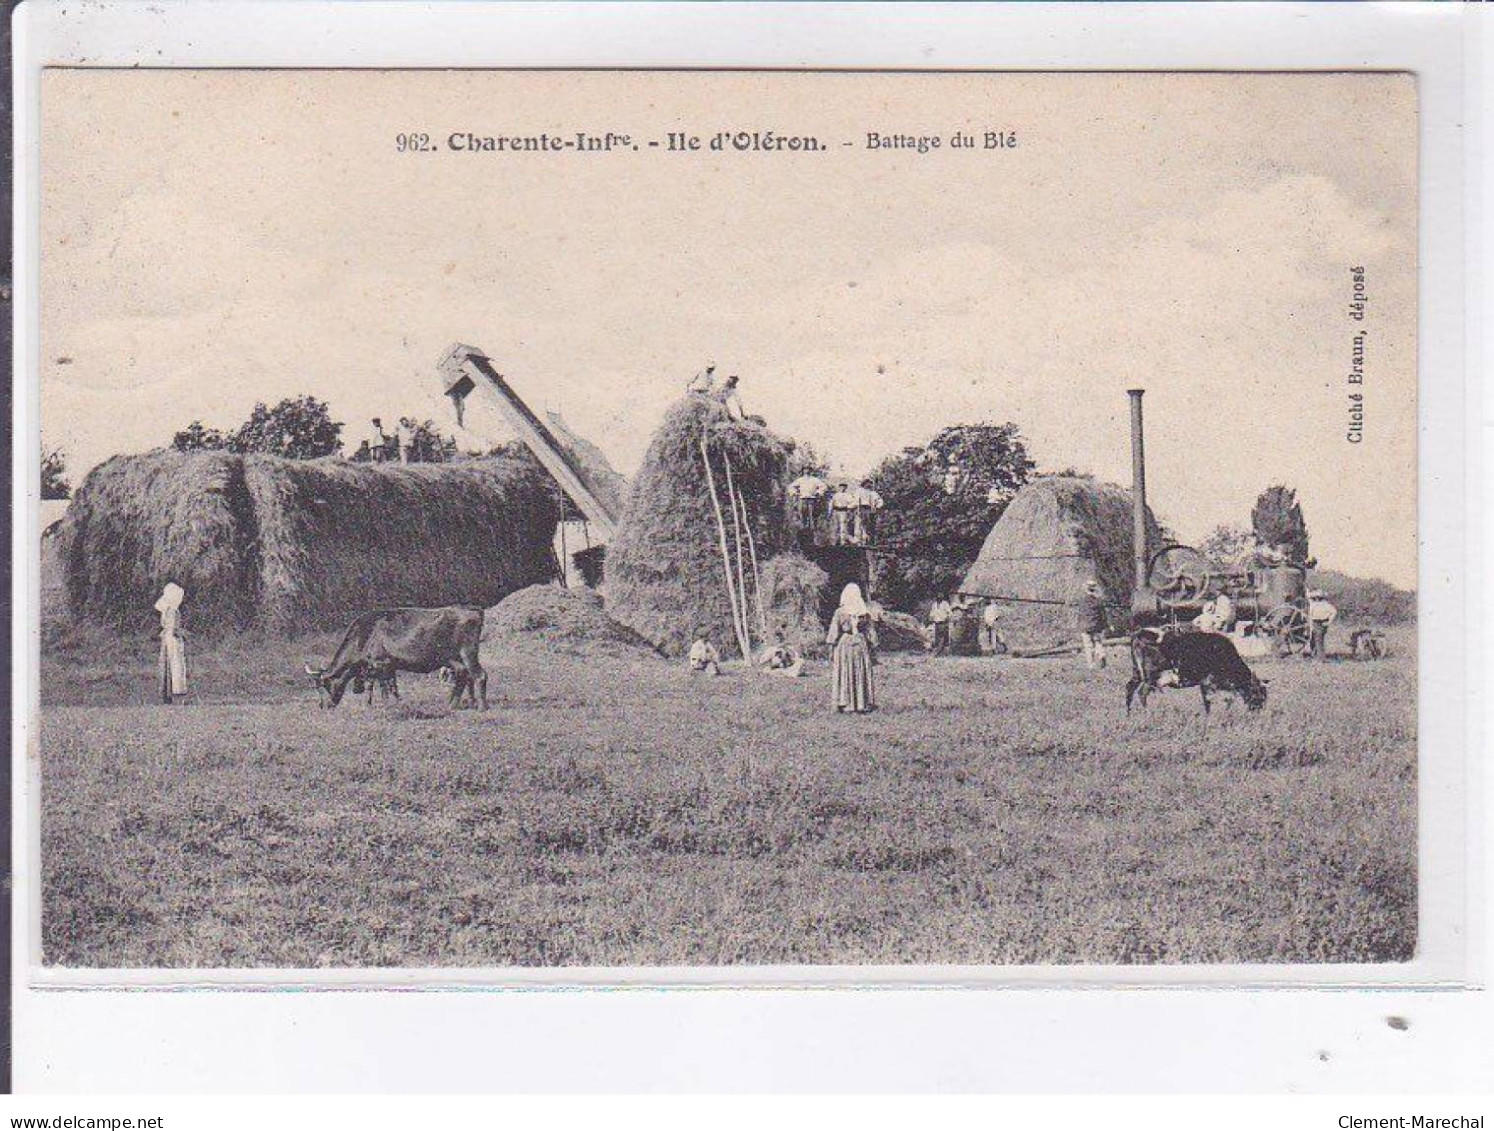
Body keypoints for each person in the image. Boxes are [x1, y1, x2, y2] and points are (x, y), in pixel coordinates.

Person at [826, 583, 877, 713]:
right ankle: (861, 703)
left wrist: (831, 649)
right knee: (860, 671)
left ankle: (845, 703)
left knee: (846, 671)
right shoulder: (864, 612)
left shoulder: (840, 612)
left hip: (845, 644)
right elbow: (871, 633)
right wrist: (872, 648)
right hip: (860, 644)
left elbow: (833, 632)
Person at [154, 582, 188, 704]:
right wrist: (182, 633)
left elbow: (166, 626)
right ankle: (176, 692)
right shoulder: (173, 611)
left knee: (167, 664)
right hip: (173, 641)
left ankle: (166, 692)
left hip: (166, 639)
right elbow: (173, 628)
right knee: (175, 664)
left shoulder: (166, 610)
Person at [1077, 579, 1108, 669]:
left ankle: (1091, 664)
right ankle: (1101, 654)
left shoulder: (1082, 602)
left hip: (1085, 626)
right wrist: (1105, 625)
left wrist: (1079, 625)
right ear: (1094, 590)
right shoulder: (1098, 602)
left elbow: (1080, 614)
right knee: (1098, 643)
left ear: (1086, 589)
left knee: (1088, 646)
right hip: (1096, 626)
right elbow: (1103, 615)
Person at [1307, 589, 1337, 660]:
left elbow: (1334, 612)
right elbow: (1308, 598)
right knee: (1313, 639)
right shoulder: (1314, 604)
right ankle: (1314, 654)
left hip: (1322, 623)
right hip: (1315, 622)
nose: (1316, 599)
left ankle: (1321, 657)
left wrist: (1329, 622)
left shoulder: (1326, 605)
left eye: (1317, 597)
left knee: (1318, 640)